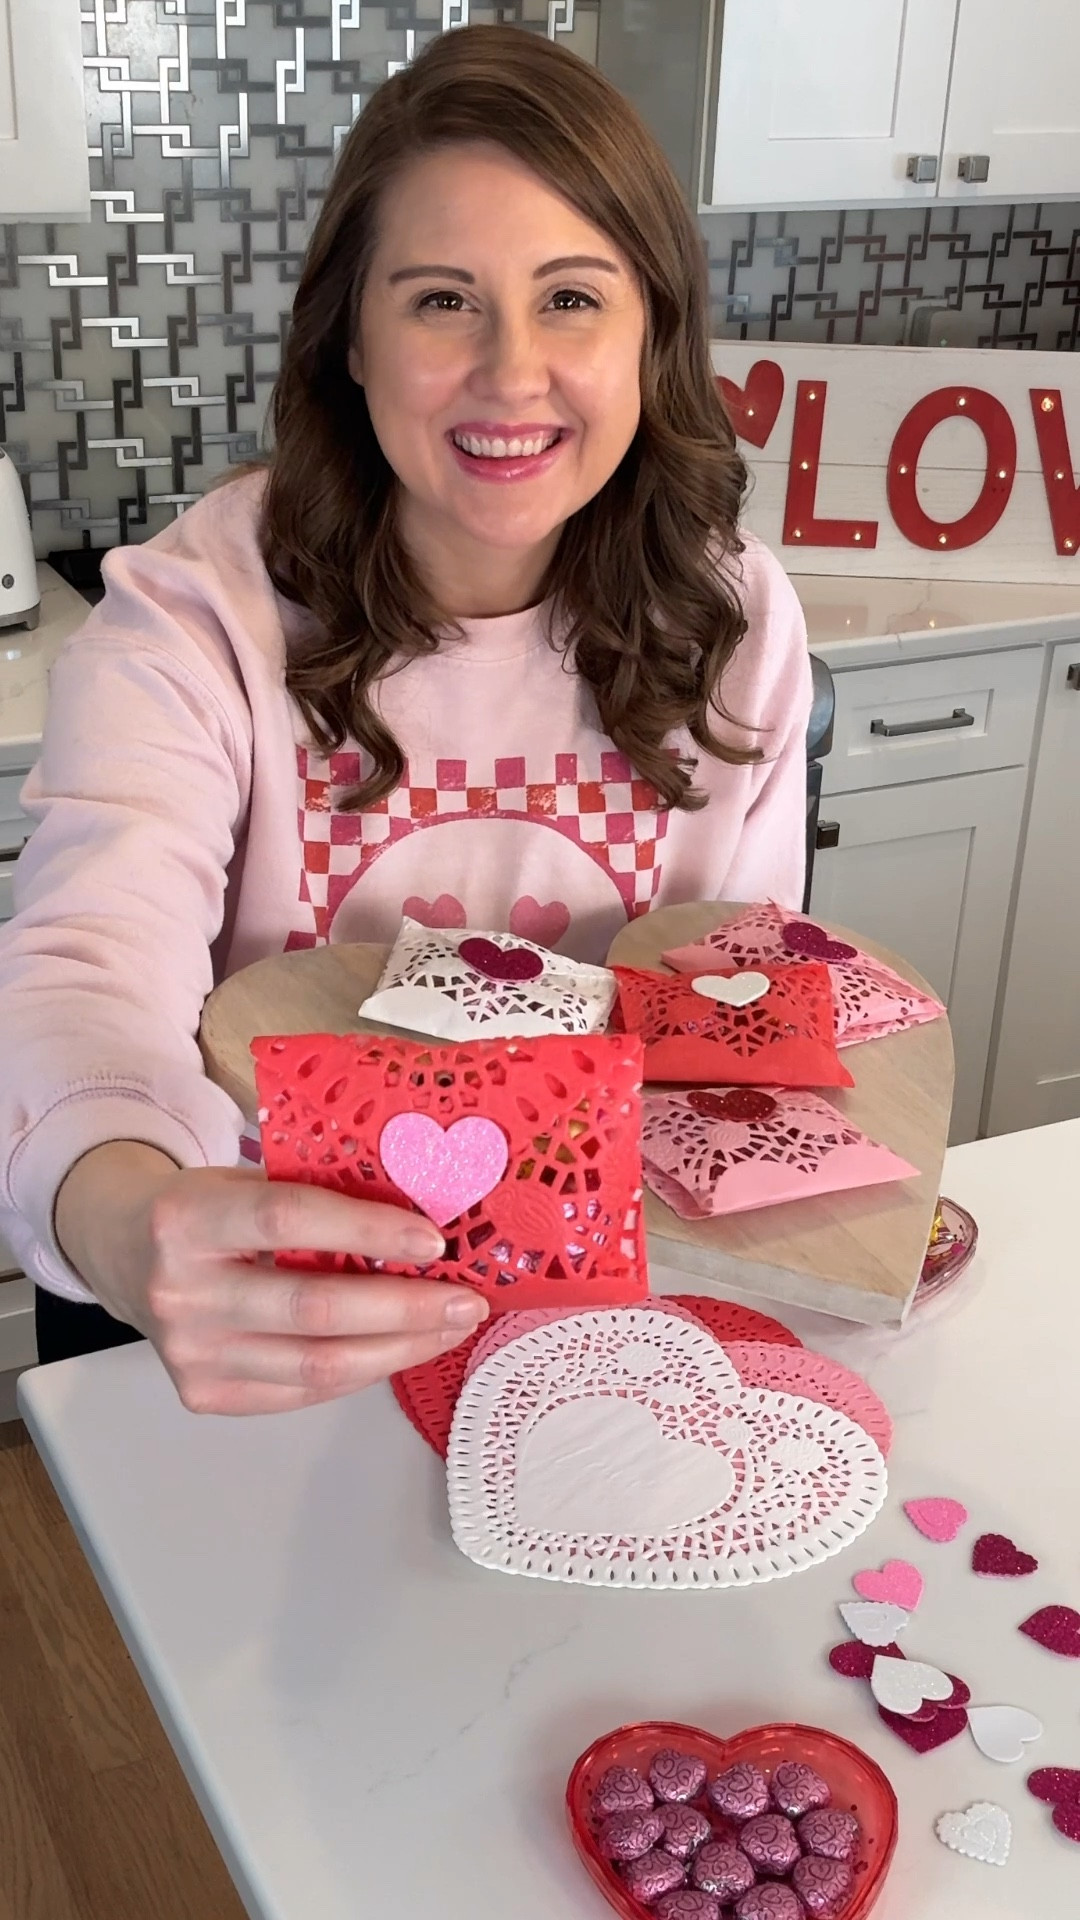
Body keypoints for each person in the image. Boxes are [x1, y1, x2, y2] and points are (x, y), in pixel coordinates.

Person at [0, 25, 811, 1408]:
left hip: (582, 1327)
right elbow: (86, 968)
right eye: (443, 300)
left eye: (572, 298)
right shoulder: (197, 616)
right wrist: (129, 1223)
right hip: (259, 1342)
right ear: (351, 344)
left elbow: (722, 1004)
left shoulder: (731, 618)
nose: (510, 372)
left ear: (653, 335)